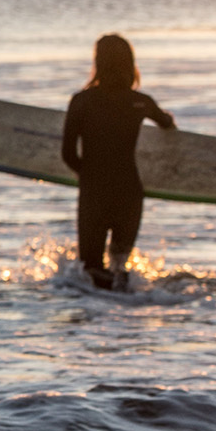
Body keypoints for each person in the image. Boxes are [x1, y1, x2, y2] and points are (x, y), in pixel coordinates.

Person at [60, 34, 176, 290]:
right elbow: (167, 124)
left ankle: (95, 321)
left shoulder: (81, 101)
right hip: (129, 191)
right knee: (121, 267)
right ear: (130, 63)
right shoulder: (141, 102)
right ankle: (124, 321)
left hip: (94, 191)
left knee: (91, 269)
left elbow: (68, 154)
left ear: (98, 62)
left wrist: (87, 177)